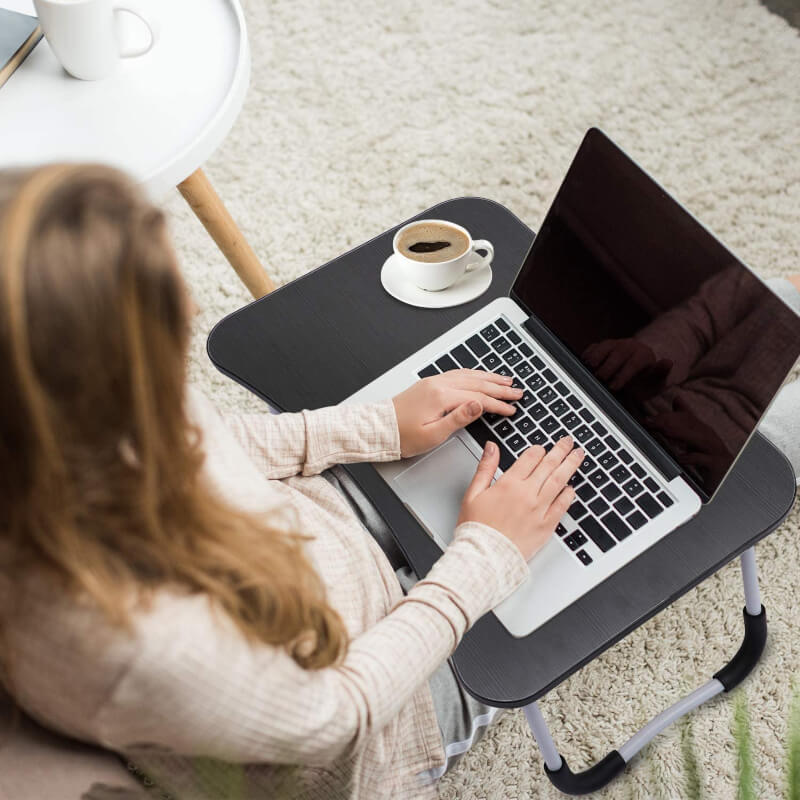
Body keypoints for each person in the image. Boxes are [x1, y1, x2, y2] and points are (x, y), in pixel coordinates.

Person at [0, 164, 583, 800]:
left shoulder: (61, 421)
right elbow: (341, 713)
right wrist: (483, 559)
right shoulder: (143, 642)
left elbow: (211, 439)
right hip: (380, 715)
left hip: (315, 542)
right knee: (572, 560)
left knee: (503, 471)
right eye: (169, 310)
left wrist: (378, 426)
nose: (193, 306)